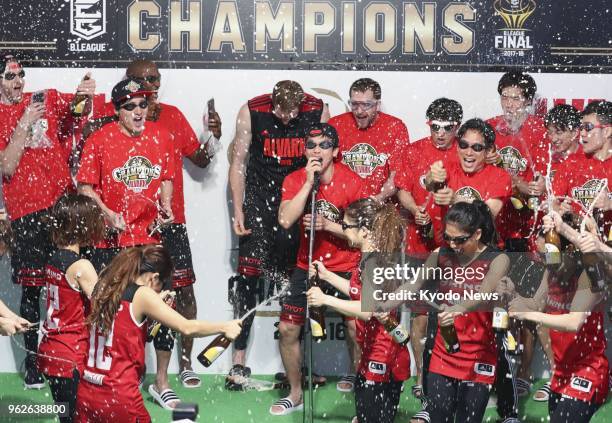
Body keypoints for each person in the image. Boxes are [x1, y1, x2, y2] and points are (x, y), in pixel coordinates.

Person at [124, 60, 223, 402]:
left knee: (182, 293)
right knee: (128, 300)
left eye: (155, 79)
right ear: (129, 81)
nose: (150, 85)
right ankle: (130, 368)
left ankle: (185, 365)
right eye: (142, 80)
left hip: (171, 223)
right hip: (131, 229)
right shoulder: (115, 117)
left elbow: (201, 160)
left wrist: (214, 137)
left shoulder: (172, 115)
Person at [0, 54, 95, 388]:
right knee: (32, 289)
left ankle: (75, 354)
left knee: (74, 282)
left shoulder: (47, 97)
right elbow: (7, 167)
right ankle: (32, 363)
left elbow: (79, 114)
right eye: (10, 77)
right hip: (26, 212)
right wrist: (25, 121)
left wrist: (84, 95)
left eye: (21, 75)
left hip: (61, 209)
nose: (18, 82)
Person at [227, 80, 328, 390]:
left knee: (300, 277)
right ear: (272, 104)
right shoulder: (252, 110)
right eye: (281, 113)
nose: (287, 118)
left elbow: (324, 159)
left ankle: (301, 364)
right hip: (260, 196)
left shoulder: (316, 110)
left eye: (292, 112)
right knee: (248, 275)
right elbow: (239, 162)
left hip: (297, 194)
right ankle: (238, 363)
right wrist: (239, 208)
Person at [74, 245, 242, 423]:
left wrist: (155, 303)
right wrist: (225, 326)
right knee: (185, 419)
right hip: (120, 397)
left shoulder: (104, 285)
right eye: (159, 287)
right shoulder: (143, 295)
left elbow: (121, 322)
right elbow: (187, 327)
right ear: (154, 278)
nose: (158, 293)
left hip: (87, 395)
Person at [270, 123, 363, 415]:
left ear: (335, 151)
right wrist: (309, 183)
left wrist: (327, 225)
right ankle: (296, 392)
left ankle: (363, 388)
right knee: (287, 329)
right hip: (307, 265)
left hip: (345, 266)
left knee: (355, 327)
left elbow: (359, 234)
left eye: (323, 146)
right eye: (311, 145)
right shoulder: (296, 178)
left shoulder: (352, 182)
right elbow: (285, 220)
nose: (316, 151)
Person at [306, 198, 410, 423]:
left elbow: (366, 310)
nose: (342, 230)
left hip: (383, 354)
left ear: (363, 231)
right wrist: (327, 276)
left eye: (345, 226)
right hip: (375, 350)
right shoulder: (369, 258)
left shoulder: (375, 262)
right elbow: (357, 292)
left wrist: (325, 299)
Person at [395, 97, 463, 423]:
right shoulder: (413, 150)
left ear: (457, 128)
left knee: (456, 318)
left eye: (447, 128)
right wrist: (413, 209)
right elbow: (403, 188)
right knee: (420, 320)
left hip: (456, 251)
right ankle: (423, 379)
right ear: (428, 124)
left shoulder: (465, 154)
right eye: (435, 127)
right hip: (420, 247)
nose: (440, 133)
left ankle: (454, 380)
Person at [508, 213, 609, 423]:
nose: (548, 263)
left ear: (570, 251)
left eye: (552, 257)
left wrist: (528, 314)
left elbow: (573, 322)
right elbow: (536, 304)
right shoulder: (551, 270)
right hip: (561, 372)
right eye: (544, 256)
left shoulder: (589, 275)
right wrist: (514, 296)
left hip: (588, 372)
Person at [426, 201, 510, 422]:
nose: (453, 244)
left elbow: (483, 295)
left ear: (477, 233)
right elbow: (412, 285)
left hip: (479, 356)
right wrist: (386, 301)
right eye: (448, 237)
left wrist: (456, 308)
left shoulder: (497, 259)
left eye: (460, 239)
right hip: (445, 352)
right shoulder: (440, 254)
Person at [36, 193, 105, 422]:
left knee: (66, 416)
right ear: (83, 225)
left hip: (51, 352)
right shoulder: (81, 266)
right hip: (71, 354)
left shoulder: (54, 259)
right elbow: (106, 306)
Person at [487, 71, 547, 253]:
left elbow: (544, 174)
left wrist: (539, 184)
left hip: (527, 218)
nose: (509, 104)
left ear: (528, 101)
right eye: (504, 97)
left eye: (515, 99)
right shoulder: (489, 127)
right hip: (496, 216)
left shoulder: (539, 130)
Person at [329, 78, 409, 202]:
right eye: (354, 104)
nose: (359, 111)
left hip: (381, 204)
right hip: (342, 203)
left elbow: (397, 175)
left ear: (377, 105)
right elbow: (325, 169)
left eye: (366, 105)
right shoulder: (336, 124)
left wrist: (377, 199)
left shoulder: (395, 127)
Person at [553, 100, 611, 239]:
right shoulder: (570, 163)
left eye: (588, 127)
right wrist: (562, 211)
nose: (582, 133)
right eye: (581, 127)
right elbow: (552, 202)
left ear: (607, 131)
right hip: (578, 242)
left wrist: (610, 204)